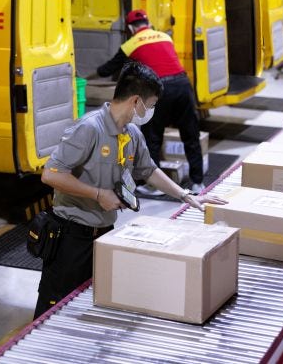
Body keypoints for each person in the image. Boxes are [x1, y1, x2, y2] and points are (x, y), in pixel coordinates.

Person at [33, 61, 226, 319]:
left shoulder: (132, 133)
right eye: (151, 104)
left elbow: (148, 170)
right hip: (71, 237)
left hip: (103, 234)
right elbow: (51, 174)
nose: (152, 111)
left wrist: (186, 195)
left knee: (90, 304)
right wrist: (98, 194)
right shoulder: (89, 128)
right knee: (54, 309)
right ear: (136, 101)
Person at [97, 9, 206, 194]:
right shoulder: (165, 37)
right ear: (148, 24)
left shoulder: (130, 44)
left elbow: (108, 69)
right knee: (190, 134)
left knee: (153, 136)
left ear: (131, 28)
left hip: (160, 88)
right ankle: (198, 183)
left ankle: (154, 185)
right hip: (183, 85)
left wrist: (93, 73)